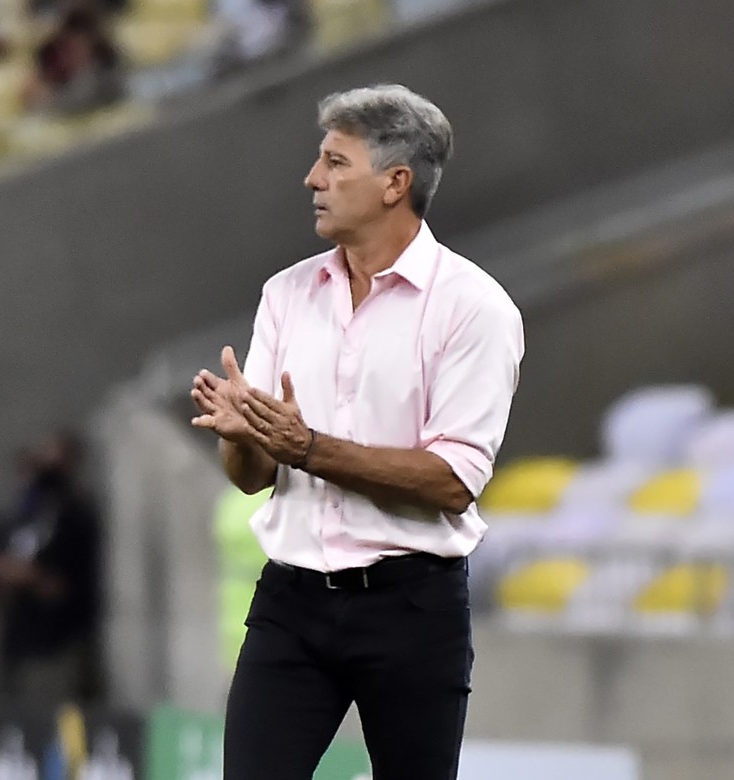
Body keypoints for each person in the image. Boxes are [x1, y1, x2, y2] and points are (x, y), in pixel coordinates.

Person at [190, 84, 524, 780]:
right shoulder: (285, 295)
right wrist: (239, 432)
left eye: (336, 162)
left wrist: (306, 447)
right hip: (292, 599)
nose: (313, 179)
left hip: (412, 605)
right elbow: (253, 476)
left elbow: (452, 482)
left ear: (395, 183)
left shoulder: (474, 309)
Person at [0, 430, 102, 706]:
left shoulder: (74, 515)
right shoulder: (26, 512)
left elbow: (63, 586)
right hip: (17, 638)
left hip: (56, 645)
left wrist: (26, 575)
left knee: (48, 719)